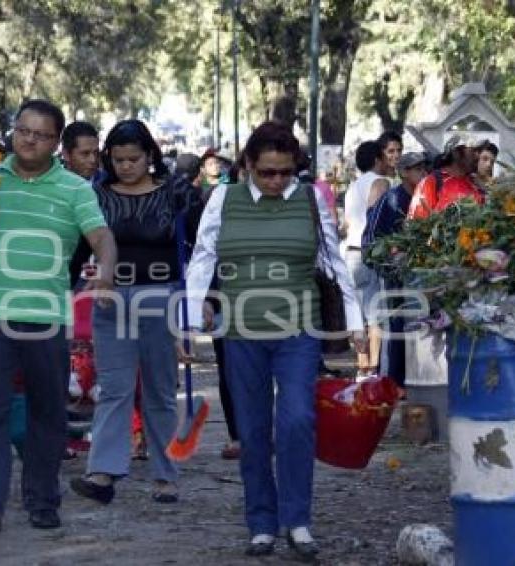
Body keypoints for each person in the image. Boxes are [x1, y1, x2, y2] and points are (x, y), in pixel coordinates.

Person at [184, 121, 365, 560]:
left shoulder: (308, 201)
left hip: (299, 328)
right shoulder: (223, 199)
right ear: (247, 166)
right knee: (252, 430)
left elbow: (333, 262)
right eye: (267, 172)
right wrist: (189, 322)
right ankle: (262, 524)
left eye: (285, 172)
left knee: (298, 419)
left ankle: (298, 521)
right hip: (240, 332)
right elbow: (203, 258)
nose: (277, 180)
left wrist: (356, 320)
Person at [0, 99, 117, 534]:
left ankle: (43, 499)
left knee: (48, 412)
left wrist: (104, 274)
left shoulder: (74, 189)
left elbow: (102, 238)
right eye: (23, 130)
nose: (29, 139)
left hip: (47, 315)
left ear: (56, 144)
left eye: (41, 134)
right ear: (14, 131)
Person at [68, 119, 203, 504]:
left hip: (160, 298)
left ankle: (166, 473)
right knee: (114, 388)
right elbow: (83, 245)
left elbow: (199, 246)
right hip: (110, 299)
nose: (126, 166)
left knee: (160, 389)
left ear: (150, 156)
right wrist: (64, 286)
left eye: (134, 159)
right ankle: (103, 472)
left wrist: (197, 302)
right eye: (118, 159)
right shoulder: (96, 193)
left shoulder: (176, 192)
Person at [362, 152, 429, 389]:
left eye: (424, 167)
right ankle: (390, 383)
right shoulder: (391, 199)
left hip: (420, 274)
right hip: (393, 274)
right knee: (394, 328)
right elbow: (370, 237)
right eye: (416, 168)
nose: (422, 172)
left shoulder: (427, 198)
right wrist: (385, 262)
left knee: (418, 326)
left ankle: (414, 379)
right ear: (403, 173)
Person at [342, 140, 392, 376]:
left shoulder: (353, 187)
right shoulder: (379, 182)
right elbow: (375, 215)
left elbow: (348, 222)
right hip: (368, 253)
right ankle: (372, 368)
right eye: (384, 156)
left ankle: (362, 367)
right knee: (375, 316)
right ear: (376, 160)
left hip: (350, 252)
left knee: (357, 314)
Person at [408, 134, 484, 219]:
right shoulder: (431, 182)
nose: (478, 156)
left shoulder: (476, 184)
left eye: (480, 151)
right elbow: (418, 223)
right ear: (456, 153)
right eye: (473, 151)